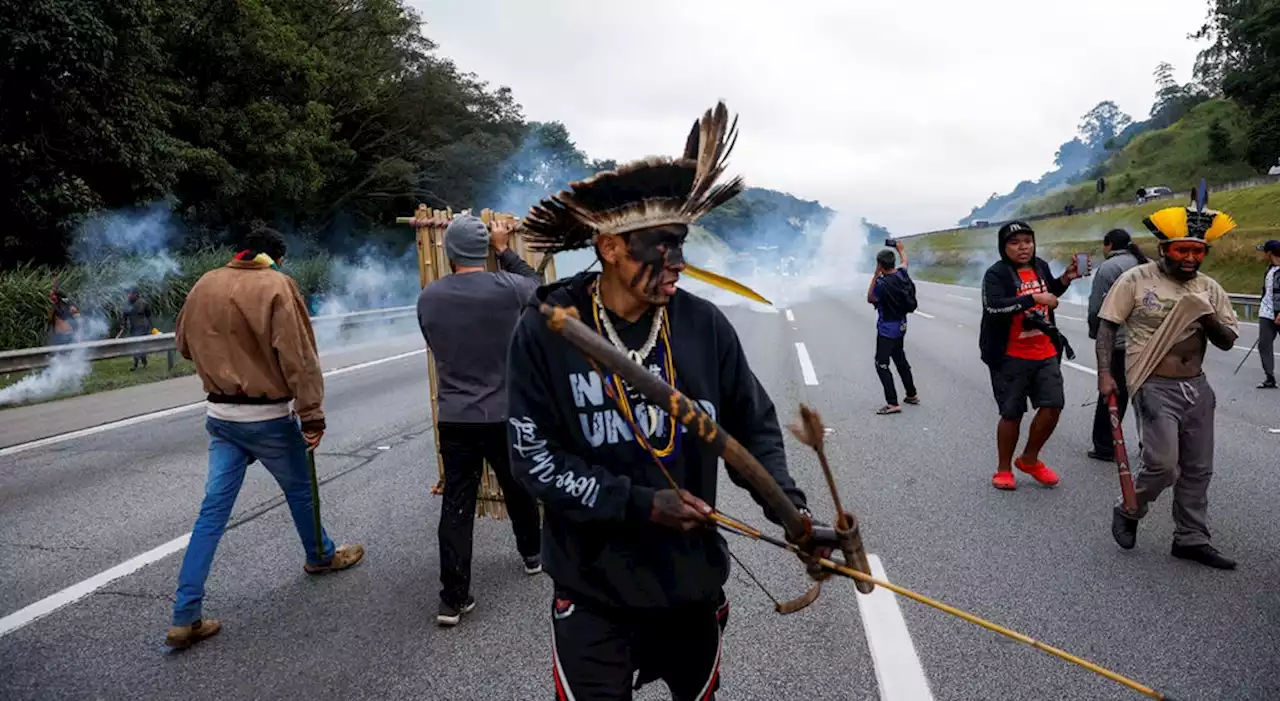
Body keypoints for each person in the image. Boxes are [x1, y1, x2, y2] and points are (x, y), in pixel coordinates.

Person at [506, 102, 819, 700]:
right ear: (610, 248)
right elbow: (534, 463)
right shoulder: (548, 327)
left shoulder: (703, 326)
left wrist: (792, 513)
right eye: (661, 246)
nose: (677, 263)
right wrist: (641, 505)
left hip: (689, 588)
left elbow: (752, 431)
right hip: (595, 591)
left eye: (682, 244)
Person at [166, 227, 365, 650]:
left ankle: (185, 615)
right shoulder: (278, 285)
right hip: (268, 417)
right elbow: (299, 357)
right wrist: (311, 416)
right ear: (277, 256)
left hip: (220, 416)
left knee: (212, 513)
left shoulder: (205, 282)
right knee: (301, 492)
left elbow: (183, 344)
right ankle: (320, 556)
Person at [415, 214, 545, 628]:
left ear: (449, 253)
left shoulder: (429, 297)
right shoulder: (509, 289)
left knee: (457, 503)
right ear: (484, 250)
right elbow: (540, 286)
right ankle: (532, 554)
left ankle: (453, 599)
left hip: (456, 417)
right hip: (504, 413)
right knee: (518, 486)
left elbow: (432, 343)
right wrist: (504, 248)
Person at [1096, 195, 1238, 569]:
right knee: (1162, 465)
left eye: (1197, 252)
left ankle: (1191, 538)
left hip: (1197, 386)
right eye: (1182, 250)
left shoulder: (1208, 288)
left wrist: (1204, 315)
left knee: (1198, 468)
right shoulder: (1135, 280)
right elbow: (1107, 325)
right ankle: (1130, 507)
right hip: (1154, 384)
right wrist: (1105, 374)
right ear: (1164, 249)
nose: (1190, 258)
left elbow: (1226, 341)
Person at [978, 221, 1084, 490]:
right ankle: (1003, 469)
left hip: (1045, 350)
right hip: (1009, 354)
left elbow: (1050, 292)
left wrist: (1066, 279)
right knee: (1012, 414)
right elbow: (994, 308)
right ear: (1003, 247)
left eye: (1027, 241)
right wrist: (1033, 300)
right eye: (1015, 242)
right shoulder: (996, 274)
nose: (1023, 247)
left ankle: (1029, 458)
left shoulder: (1041, 266)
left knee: (1053, 406)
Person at [1085, 229, 1148, 460]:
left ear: (1108, 244)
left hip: (1120, 342)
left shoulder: (1109, 268)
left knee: (1112, 393)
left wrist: (1096, 334)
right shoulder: (1147, 264)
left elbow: (1096, 308)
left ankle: (1105, 446)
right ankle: (1150, 445)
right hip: (1147, 342)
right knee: (1147, 396)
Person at [866, 241, 919, 414]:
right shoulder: (902, 274)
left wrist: (875, 276)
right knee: (899, 358)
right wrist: (901, 249)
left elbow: (870, 298)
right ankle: (911, 394)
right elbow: (905, 262)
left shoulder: (882, 284)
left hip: (887, 328)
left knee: (881, 364)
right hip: (902, 325)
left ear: (880, 265)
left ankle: (892, 402)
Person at [1253, 240, 1280, 389]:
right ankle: (1270, 378)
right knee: (1264, 345)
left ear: (1270, 253)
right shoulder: (1269, 270)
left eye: (1264, 252)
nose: (1263, 255)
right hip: (1267, 313)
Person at [120, 287, 154, 370]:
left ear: (136, 294)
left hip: (143, 327)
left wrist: (152, 327)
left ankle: (142, 363)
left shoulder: (143, 303)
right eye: (128, 294)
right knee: (135, 346)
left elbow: (148, 316)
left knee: (140, 345)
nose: (129, 296)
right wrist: (123, 324)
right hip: (133, 328)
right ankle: (137, 364)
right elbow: (124, 316)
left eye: (131, 294)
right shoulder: (127, 304)